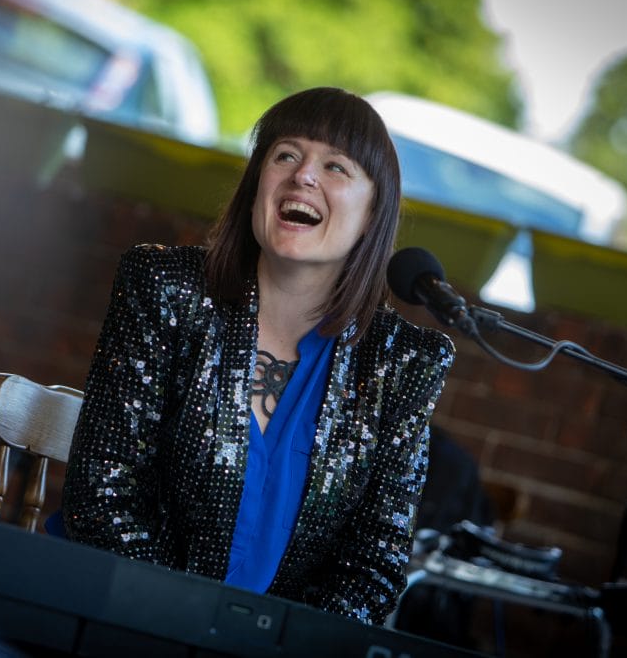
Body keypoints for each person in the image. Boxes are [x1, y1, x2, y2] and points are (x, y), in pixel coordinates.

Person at [60, 86, 455, 626]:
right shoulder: (164, 289)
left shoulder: (403, 363)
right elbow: (102, 493)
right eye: (286, 155)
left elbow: (374, 565)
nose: (304, 176)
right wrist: (182, 626)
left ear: (371, 216)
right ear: (256, 187)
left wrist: (280, 645)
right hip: (120, 623)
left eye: (337, 166)